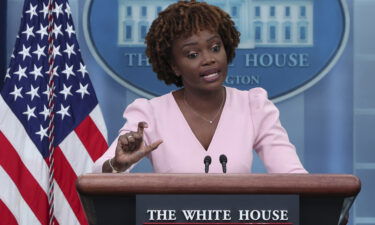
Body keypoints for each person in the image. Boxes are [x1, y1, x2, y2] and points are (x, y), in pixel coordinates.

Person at [92, 0, 307, 174]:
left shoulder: (254, 106)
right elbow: (98, 173)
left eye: (215, 47)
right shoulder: (150, 114)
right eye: (193, 54)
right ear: (174, 66)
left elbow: (292, 175)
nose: (209, 59)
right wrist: (117, 165)